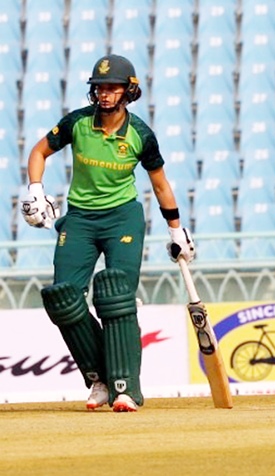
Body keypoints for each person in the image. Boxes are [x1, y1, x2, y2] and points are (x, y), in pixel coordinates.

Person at [19, 54, 195, 412]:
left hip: (123, 219)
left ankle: (125, 389)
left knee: (115, 293)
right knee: (63, 298)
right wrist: (35, 189)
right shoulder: (78, 123)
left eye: (112, 87)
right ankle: (98, 378)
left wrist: (177, 231)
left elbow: (160, 186)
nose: (104, 93)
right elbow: (39, 151)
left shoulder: (140, 135)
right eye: (99, 87)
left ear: (128, 91)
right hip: (80, 218)